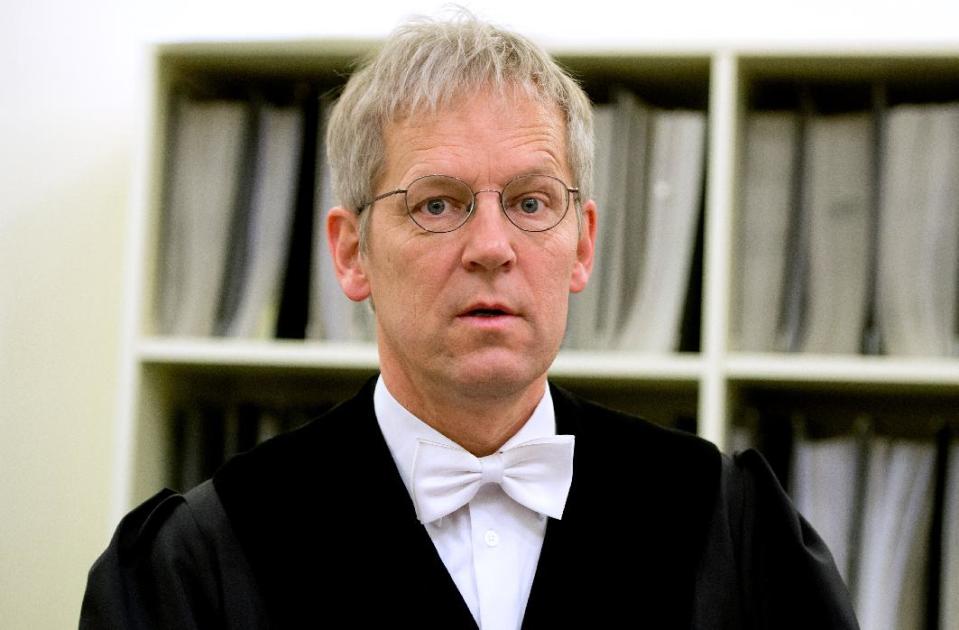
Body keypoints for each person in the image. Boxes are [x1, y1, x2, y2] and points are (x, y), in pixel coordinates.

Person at [81, 13, 859, 630]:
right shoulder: (206, 556)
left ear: (581, 244)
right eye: (438, 205)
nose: (491, 247)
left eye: (529, 202)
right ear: (351, 254)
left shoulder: (725, 528)